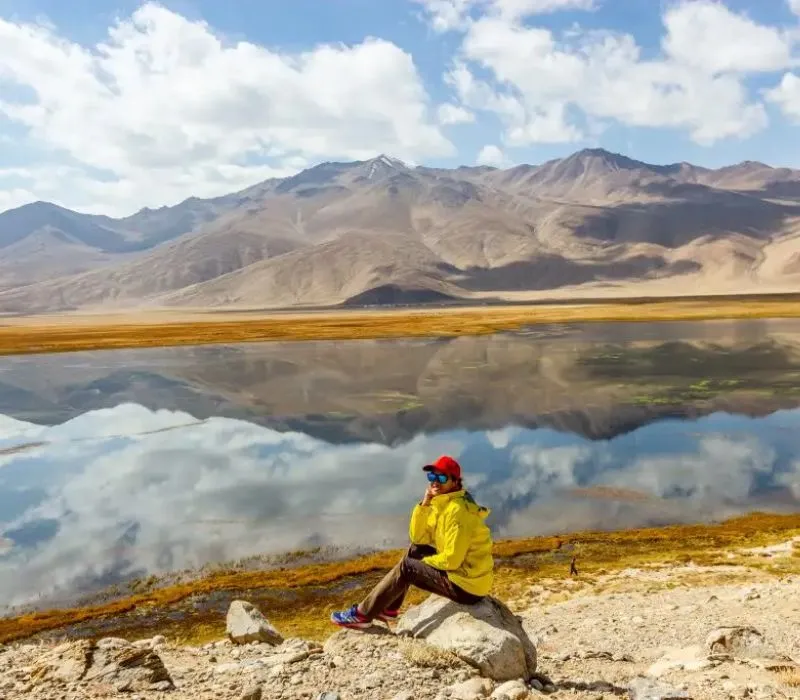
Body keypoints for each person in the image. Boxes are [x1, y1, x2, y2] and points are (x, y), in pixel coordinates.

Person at [330, 455, 493, 629]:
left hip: (468, 587)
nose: (435, 482)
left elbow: (452, 560)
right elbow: (418, 539)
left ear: (455, 482)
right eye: (432, 477)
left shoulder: (457, 512)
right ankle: (389, 608)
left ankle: (363, 615)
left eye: (442, 477)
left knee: (408, 566)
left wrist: (421, 564)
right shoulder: (443, 504)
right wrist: (424, 504)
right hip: (466, 576)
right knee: (415, 550)